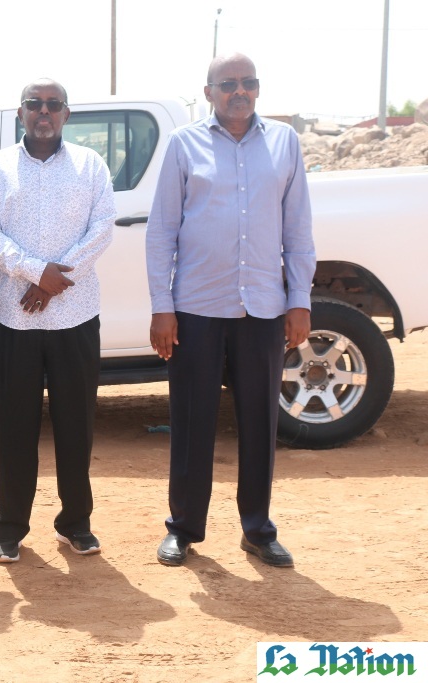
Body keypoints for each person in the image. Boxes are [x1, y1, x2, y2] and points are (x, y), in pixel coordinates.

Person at [146, 53, 316, 568]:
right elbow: (162, 232)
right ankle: (184, 528)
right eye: (228, 84)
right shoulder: (184, 145)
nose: (238, 91)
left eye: (247, 83)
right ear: (208, 92)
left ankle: (258, 530)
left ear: (258, 90)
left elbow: (298, 232)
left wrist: (299, 300)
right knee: (192, 421)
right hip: (196, 307)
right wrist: (162, 307)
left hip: (263, 308)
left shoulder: (285, 143)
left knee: (261, 422)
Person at [0, 79, 115, 564]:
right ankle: (9, 526)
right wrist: (36, 273)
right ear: (21, 112)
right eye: (35, 104)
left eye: (53, 105)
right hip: (16, 318)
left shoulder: (90, 166)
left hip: (76, 317)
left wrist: (55, 280)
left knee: (76, 426)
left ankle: (76, 523)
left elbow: (102, 228)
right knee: (14, 428)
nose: (44, 112)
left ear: (66, 114)